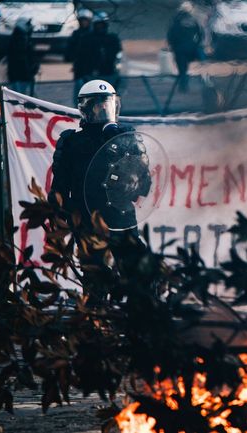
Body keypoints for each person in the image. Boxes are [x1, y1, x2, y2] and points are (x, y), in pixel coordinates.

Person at [48, 80, 151, 300]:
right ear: (86, 109)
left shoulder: (126, 138)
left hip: (120, 218)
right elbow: (59, 188)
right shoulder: (73, 142)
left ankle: (138, 315)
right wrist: (64, 215)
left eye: (108, 104)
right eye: (98, 105)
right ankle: (96, 317)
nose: (104, 110)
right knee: (95, 281)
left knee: (137, 275)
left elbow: (143, 183)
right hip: (87, 220)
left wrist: (121, 144)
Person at [74, 11, 122, 90]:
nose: (100, 27)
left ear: (106, 25)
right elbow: (80, 57)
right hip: (90, 74)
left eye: (102, 25)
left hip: (109, 73)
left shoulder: (112, 38)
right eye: (98, 25)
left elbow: (118, 54)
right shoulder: (86, 39)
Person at [167, 2, 203, 93]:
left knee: (182, 69)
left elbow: (171, 35)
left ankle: (183, 86)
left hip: (179, 49)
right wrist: (196, 44)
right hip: (191, 48)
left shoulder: (176, 20)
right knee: (201, 61)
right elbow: (200, 34)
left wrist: (173, 46)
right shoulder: (193, 20)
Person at [66, 9, 93, 103]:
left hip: (91, 66)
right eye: (82, 20)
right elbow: (71, 49)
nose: (84, 22)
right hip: (79, 66)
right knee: (79, 88)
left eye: (86, 20)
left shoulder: (93, 34)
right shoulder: (76, 34)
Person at [6, 17, 39, 96]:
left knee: (20, 94)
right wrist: (33, 67)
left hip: (19, 73)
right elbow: (25, 56)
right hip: (23, 73)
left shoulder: (18, 37)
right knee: (22, 94)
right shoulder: (22, 38)